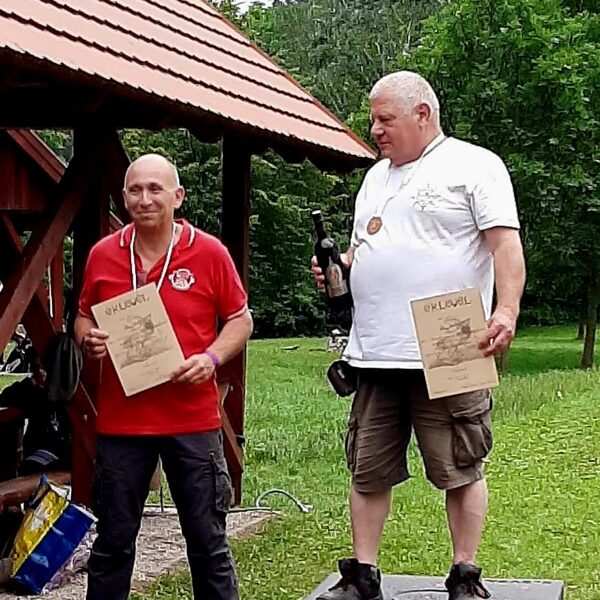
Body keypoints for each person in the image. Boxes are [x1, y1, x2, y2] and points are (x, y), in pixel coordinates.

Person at [311, 71, 525, 600]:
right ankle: (363, 576)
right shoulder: (374, 178)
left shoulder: (475, 165)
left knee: (461, 464)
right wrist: (340, 268)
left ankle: (465, 573)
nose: (376, 130)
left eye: (385, 119)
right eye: (374, 120)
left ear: (422, 113)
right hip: (375, 347)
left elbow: (505, 246)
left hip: (450, 337)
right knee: (367, 467)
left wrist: (506, 310)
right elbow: (364, 249)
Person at [75, 154, 253, 600]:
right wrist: (87, 339)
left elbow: (240, 319)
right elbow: (82, 316)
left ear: (178, 196)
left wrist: (211, 358)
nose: (144, 199)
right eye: (135, 190)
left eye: (155, 189)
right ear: (124, 197)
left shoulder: (209, 252)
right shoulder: (103, 254)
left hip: (192, 421)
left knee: (207, 544)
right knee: (112, 544)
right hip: (122, 423)